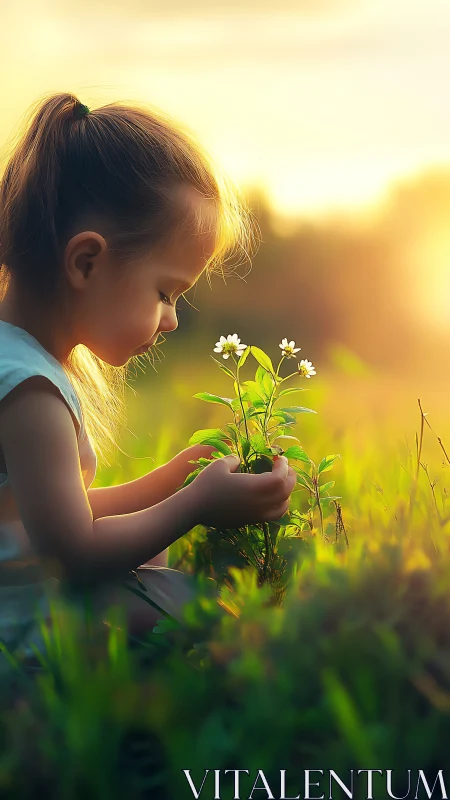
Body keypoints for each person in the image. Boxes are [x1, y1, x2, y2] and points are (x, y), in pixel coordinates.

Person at [0, 93, 297, 659]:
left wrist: (176, 480)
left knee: (153, 564)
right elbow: (76, 552)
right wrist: (197, 505)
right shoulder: (31, 390)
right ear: (87, 262)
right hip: (21, 635)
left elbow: (57, 518)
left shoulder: (15, 358)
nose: (171, 320)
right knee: (199, 607)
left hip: (25, 598)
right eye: (165, 293)